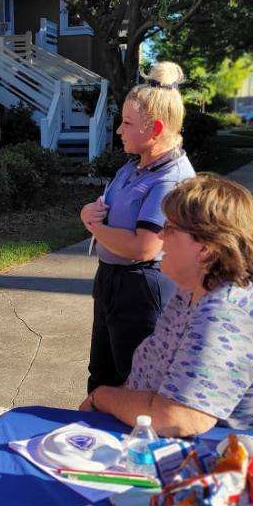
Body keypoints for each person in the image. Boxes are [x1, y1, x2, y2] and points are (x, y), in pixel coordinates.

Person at [79, 173, 253, 436]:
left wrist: (102, 397)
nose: (160, 235)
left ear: (206, 248)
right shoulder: (193, 290)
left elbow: (178, 418)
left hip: (229, 462)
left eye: (170, 228)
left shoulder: (227, 314)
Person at [81, 61, 196, 394]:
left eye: (127, 123)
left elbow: (143, 246)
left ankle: (131, 446)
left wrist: (91, 225)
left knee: (136, 384)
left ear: (156, 129)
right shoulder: (136, 167)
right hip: (113, 281)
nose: (119, 130)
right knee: (102, 375)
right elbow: (107, 208)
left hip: (142, 289)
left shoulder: (170, 178)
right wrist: (91, 211)